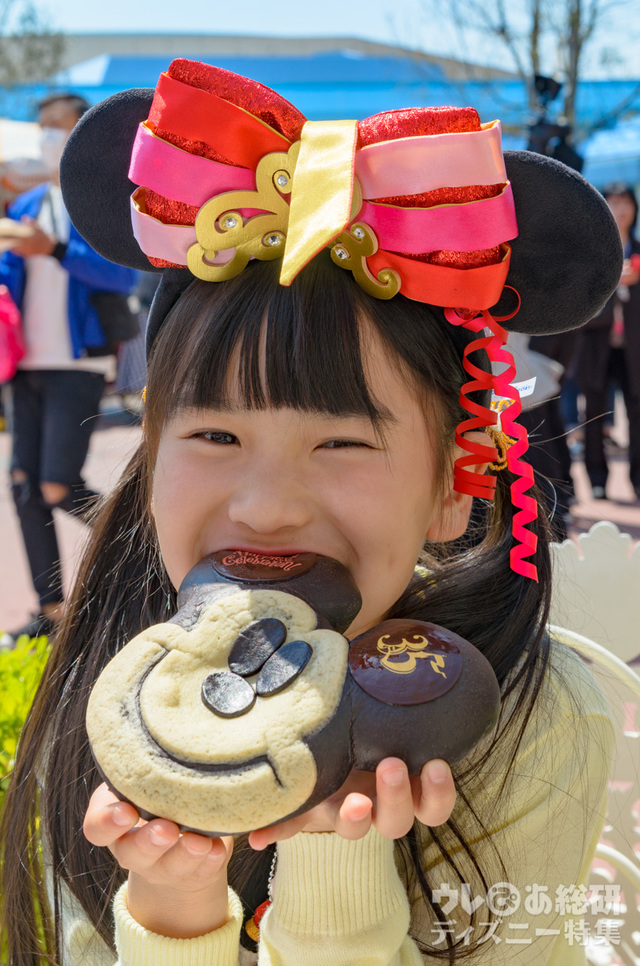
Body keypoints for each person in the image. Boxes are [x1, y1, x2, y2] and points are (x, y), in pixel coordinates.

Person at [0, 60, 622, 965]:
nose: (265, 506)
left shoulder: (534, 721)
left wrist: (338, 857)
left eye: (341, 444)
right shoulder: (127, 700)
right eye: (213, 436)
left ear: (455, 483)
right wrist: (173, 906)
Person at [0, 93, 137, 646]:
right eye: (42, 131)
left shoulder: (101, 199)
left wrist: (53, 249)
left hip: (78, 363)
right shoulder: (27, 201)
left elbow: (122, 277)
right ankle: (49, 611)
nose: (46, 141)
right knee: (24, 487)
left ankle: (142, 542)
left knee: (59, 484)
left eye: (56, 129)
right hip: (25, 362)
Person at [575, 182, 640, 501]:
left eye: (625, 202)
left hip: (633, 349)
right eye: (612, 202)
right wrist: (614, 283)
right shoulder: (593, 255)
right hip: (596, 347)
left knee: (636, 413)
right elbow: (582, 304)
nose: (620, 209)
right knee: (595, 415)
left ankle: (637, 480)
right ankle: (597, 479)